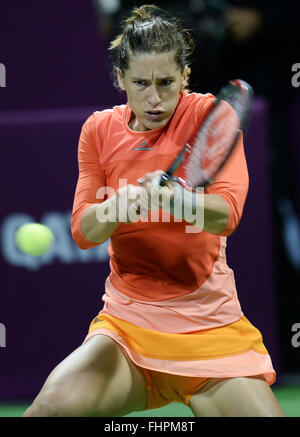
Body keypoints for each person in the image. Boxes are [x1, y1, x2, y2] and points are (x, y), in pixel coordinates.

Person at [23, 4, 285, 417]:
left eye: (166, 82)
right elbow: (82, 230)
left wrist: (172, 199)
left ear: (185, 75)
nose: (155, 97)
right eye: (141, 82)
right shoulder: (98, 130)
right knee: (50, 410)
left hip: (207, 323)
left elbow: (226, 214)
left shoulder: (209, 118)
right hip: (128, 327)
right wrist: (118, 207)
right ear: (120, 79)